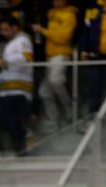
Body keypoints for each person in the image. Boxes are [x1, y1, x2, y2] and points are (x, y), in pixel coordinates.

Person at [32, 0, 78, 134]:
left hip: (62, 54)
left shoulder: (70, 15)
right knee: (44, 92)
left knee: (56, 81)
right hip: (49, 55)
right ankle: (54, 120)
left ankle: (70, 111)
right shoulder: (50, 13)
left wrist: (42, 30)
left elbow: (63, 37)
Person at [0, 16, 34, 153]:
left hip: (20, 87)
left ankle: (21, 143)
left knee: (10, 116)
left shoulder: (23, 40)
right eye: (2, 30)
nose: (4, 32)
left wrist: (3, 61)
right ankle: (23, 135)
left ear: (15, 27)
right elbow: (8, 67)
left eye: (6, 29)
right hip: (7, 87)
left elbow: (26, 58)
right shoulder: (11, 43)